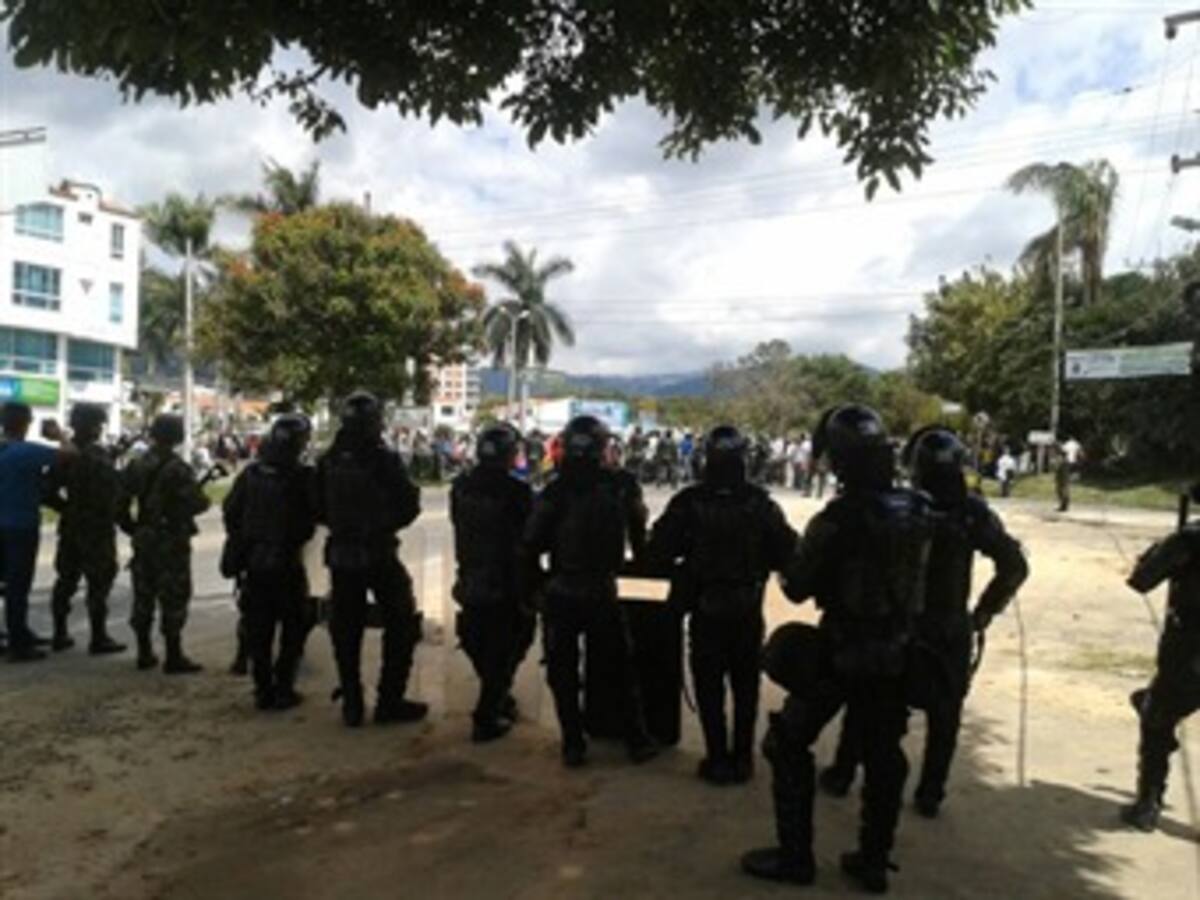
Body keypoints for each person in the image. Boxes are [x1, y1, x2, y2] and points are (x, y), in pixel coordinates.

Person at [741, 404, 932, 894]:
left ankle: (795, 856)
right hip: (896, 649)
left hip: (843, 649)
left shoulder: (838, 518)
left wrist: (787, 556)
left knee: (786, 742)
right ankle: (873, 860)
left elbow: (799, 588)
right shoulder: (917, 508)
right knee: (885, 754)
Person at [820, 427, 1028, 818]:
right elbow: (1014, 566)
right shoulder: (972, 513)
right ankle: (930, 793)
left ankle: (845, 773)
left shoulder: (902, 507)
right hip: (949, 625)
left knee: (870, 704)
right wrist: (982, 612)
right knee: (944, 715)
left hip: (901, 622)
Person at [646, 425, 798, 785]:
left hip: (705, 608)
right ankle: (742, 759)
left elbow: (657, 552)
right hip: (747, 608)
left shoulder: (688, 501)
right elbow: (788, 551)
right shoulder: (761, 503)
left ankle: (716, 757)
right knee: (746, 689)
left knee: (710, 687)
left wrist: (684, 568)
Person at [520, 415, 659, 768]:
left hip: (564, 589)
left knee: (563, 670)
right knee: (619, 667)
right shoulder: (622, 484)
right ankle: (635, 737)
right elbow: (640, 537)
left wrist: (536, 585)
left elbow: (531, 542)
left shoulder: (555, 489)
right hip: (600, 589)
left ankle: (573, 741)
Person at [315, 391, 427, 728]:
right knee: (402, 622)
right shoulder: (382, 459)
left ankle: (352, 700)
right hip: (377, 551)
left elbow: (316, 506)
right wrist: (382, 525)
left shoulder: (328, 460)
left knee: (345, 628)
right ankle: (389, 700)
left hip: (341, 553)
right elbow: (409, 504)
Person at [221, 414, 317, 711]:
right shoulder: (301, 477)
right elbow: (314, 515)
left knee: (259, 629)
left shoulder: (251, 474)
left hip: (255, 562)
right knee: (293, 626)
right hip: (286, 561)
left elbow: (231, 513)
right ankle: (283, 687)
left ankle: (263, 689)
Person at [450, 424, 536, 742]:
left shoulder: (460, 487)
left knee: (478, 640)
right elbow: (531, 536)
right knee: (513, 641)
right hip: (506, 580)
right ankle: (487, 712)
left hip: (470, 576)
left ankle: (498, 697)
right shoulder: (517, 491)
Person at [1122, 486, 1200, 832]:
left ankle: (1148, 801)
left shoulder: (1190, 539)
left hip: (1188, 647)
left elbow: (1142, 580)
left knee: (1157, 716)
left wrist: (1161, 548)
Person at [119, 414, 211, 673]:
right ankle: (173, 655)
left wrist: (133, 528)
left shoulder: (136, 465)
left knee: (143, 594)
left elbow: (120, 502)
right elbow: (198, 503)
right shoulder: (179, 469)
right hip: (172, 539)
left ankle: (144, 652)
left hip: (145, 538)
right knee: (174, 596)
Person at [47, 403, 126, 655]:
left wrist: (68, 509)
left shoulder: (65, 455)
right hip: (97, 528)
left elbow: (47, 490)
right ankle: (98, 636)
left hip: (72, 526)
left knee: (66, 581)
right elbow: (114, 490)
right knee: (99, 583)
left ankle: (60, 633)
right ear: (94, 426)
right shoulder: (97, 455)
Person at [0, 402, 73, 662]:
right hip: (20, 526)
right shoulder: (26, 452)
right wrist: (59, 434)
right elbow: (70, 455)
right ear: (26, 423)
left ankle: (15, 633)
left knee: (5, 584)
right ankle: (18, 644)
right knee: (18, 586)